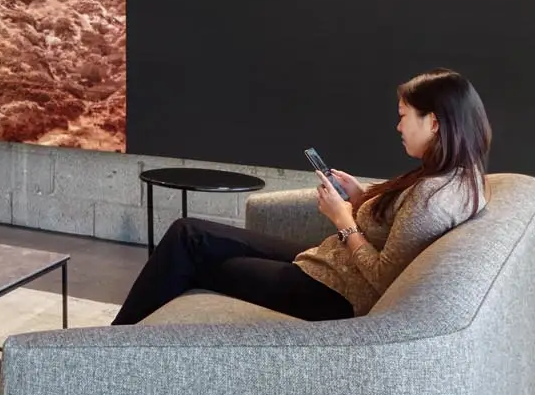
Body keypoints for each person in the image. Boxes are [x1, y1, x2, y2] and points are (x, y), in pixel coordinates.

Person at [111, 69, 492, 325]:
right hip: (326, 267)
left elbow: (381, 279)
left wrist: (343, 220)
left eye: (404, 115)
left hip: (330, 294)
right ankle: (125, 343)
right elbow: (395, 227)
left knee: (188, 249)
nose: (398, 125)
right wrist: (360, 199)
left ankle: (111, 348)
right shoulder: (456, 176)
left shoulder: (432, 196)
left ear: (435, 122)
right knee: (188, 233)